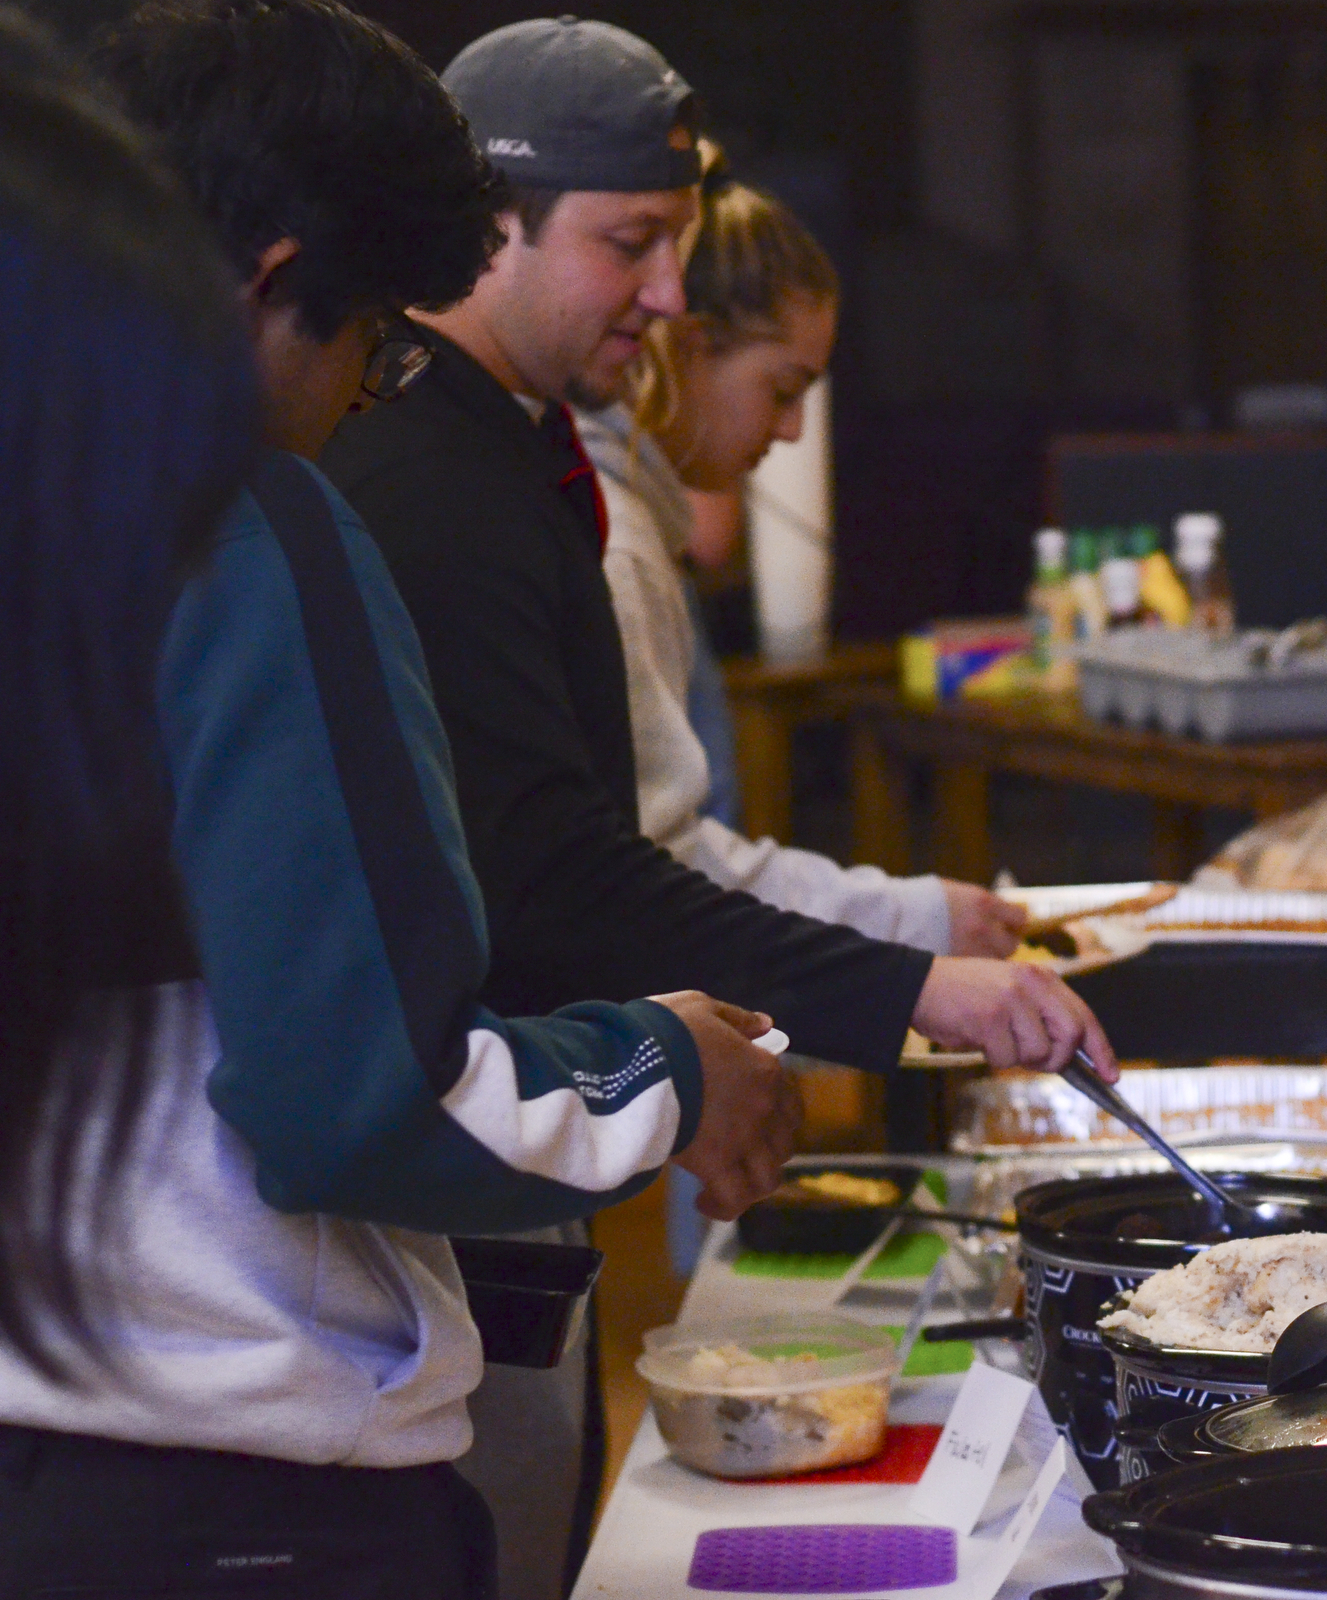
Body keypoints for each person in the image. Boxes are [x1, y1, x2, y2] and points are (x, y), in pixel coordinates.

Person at [6, 4, 798, 1594]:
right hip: (232, 1485)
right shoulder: (239, 526)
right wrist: (668, 1064)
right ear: (261, 281)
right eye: (370, 352)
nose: (357, 408)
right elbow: (356, 1102)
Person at [316, 19, 1115, 1591]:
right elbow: (557, 879)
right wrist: (892, 987)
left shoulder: (513, 447)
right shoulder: (418, 477)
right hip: (432, 1192)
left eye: (676, 245)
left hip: (528, 1152)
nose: (671, 298)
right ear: (489, 225)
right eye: (633, 245)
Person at [582, 150, 1024, 958]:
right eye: (782, 390)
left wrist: (913, 914)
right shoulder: (613, 537)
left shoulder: (625, 513)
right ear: (687, 346)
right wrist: (904, 930)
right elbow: (664, 867)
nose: (790, 431)